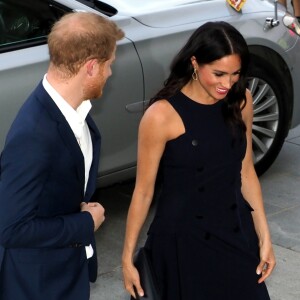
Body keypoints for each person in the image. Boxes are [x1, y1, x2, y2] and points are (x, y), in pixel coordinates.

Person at [122, 21, 276, 300]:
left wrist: (264, 236)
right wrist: (126, 258)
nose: (227, 84)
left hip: (234, 232)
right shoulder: (161, 116)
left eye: (235, 74)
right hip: (183, 241)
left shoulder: (241, 102)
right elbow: (143, 192)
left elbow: (246, 172)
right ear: (195, 62)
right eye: (218, 73)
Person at [0, 12, 124, 300]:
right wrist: (85, 224)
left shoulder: (74, 112)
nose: (110, 73)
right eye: (109, 65)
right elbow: (10, 229)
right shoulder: (33, 134)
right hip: (39, 285)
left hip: (66, 272)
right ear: (91, 67)